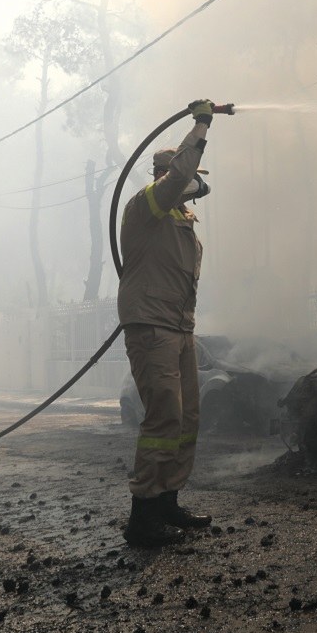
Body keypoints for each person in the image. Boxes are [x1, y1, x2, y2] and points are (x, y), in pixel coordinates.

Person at [117, 99, 217, 548]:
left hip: (179, 328)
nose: (195, 186)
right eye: (187, 177)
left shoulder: (181, 219)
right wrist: (201, 125)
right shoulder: (147, 206)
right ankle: (143, 517)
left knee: (187, 417)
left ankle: (168, 501)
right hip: (152, 326)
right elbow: (179, 176)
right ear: (170, 174)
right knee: (164, 417)